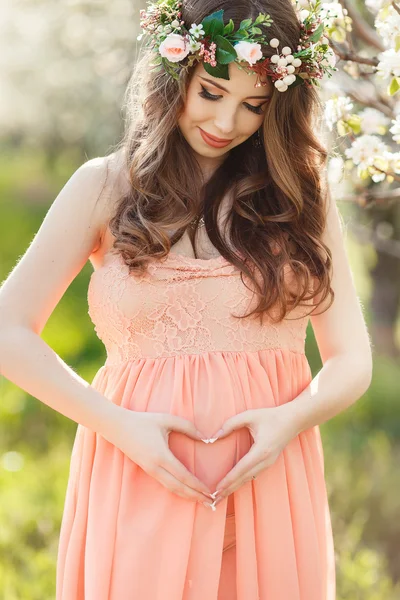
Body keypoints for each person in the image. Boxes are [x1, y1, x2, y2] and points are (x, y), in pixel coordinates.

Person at [0, 0, 372, 599]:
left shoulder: (301, 197)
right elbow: (8, 330)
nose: (227, 121)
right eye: (212, 92)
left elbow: (353, 359)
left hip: (270, 481)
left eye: (254, 105)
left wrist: (288, 421)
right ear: (176, 73)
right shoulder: (104, 185)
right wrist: (120, 428)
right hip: (139, 472)